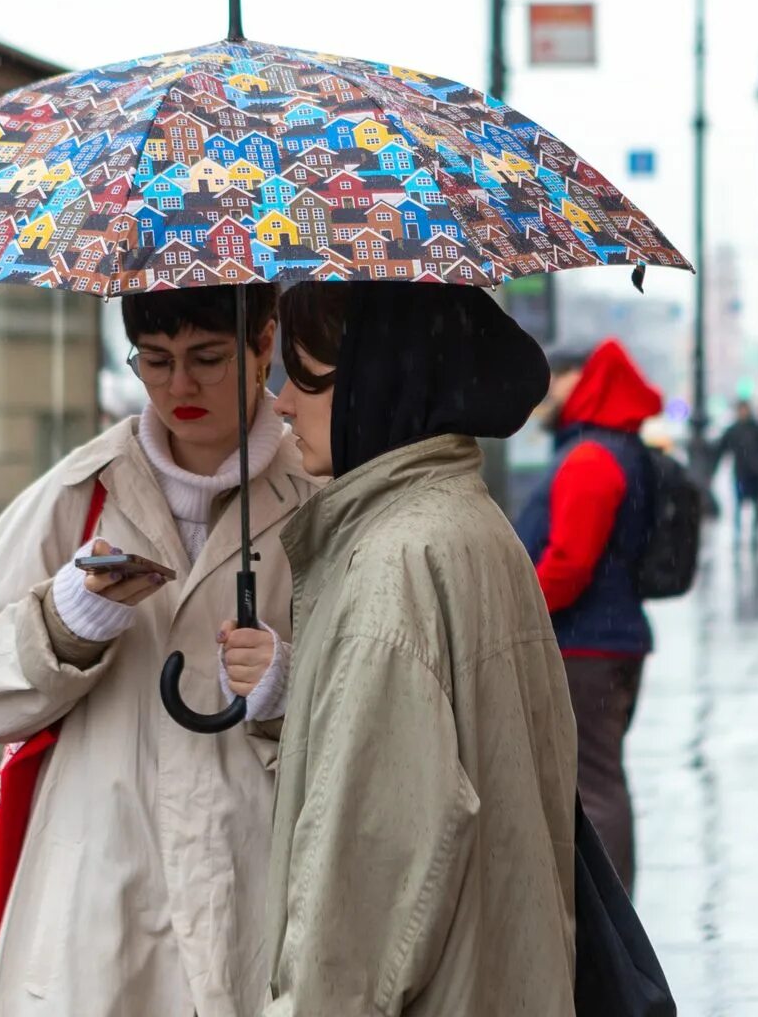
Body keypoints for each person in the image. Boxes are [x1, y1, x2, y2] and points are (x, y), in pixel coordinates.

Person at [0, 284, 318, 1017]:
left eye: (208, 356)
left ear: (266, 343)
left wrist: (291, 684)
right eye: (155, 360)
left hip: (261, 880)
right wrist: (66, 626)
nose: (179, 386)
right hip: (99, 890)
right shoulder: (76, 493)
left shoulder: (321, 497)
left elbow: (385, 700)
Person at [251, 283, 576, 1017]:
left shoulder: (393, 566)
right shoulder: (470, 525)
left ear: (376, 376)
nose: (281, 403)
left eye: (305, 376)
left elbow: (356, 907)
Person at [514, 338, 661, 891]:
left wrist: (519, 610)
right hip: (608, 638)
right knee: (597, 777)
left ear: (582, 379)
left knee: (594, 782)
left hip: (588, 646)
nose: (546, 389)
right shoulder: (616, 447)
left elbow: (570, 561)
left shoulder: (593, 458)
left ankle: (611, 910)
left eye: (556, 375)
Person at [712, 400, 758, 544]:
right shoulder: (735, 430)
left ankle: (753, 534)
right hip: (741, 472)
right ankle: (739, 534)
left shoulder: (756, 429)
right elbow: (721, 449)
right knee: (740, 503)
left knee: (755, 503)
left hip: (756, 473)